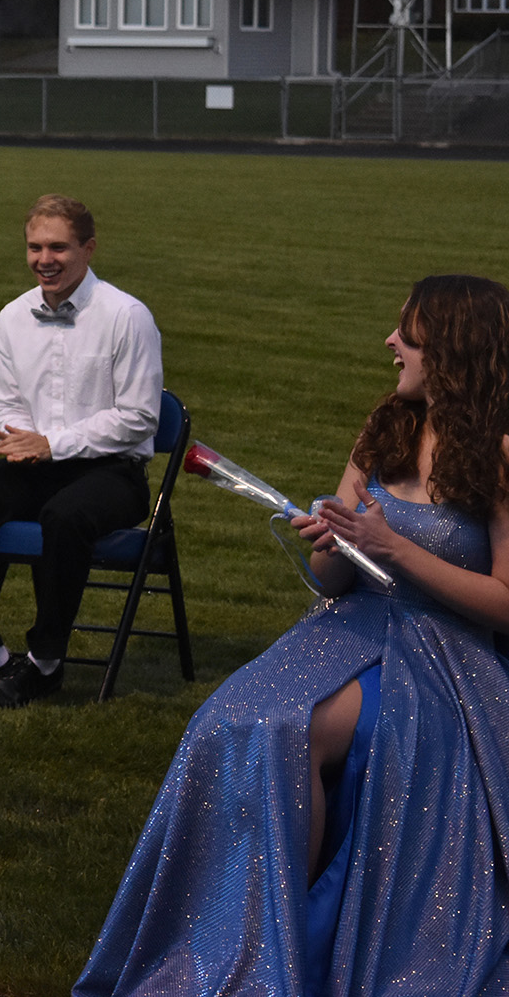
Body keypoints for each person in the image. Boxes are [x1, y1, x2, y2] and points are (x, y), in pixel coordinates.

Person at [75, 275, 509, 996]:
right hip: (348, 628)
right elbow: (329, 581)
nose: (391, 342)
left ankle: (282, 955)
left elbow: (503, 602)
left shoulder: (497, 454)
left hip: (446, 656)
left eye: (407, 331)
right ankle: (233, 944)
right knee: (229, 721)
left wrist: (395, 549)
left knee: (291, 729)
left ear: (455, 346)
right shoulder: (384, 431)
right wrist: (331, 543)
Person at [0, 194, 162, 707]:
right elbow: (5, 400)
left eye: (58, 247)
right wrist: (24, 439)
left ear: (88, 249)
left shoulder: (126, 316)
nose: (43, 259)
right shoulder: (12, 316)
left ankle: (46, 662)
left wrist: (53, 444)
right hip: (36, 464)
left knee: (65, 516)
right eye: (34, 247)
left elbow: (139, 417)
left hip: (112, 473)